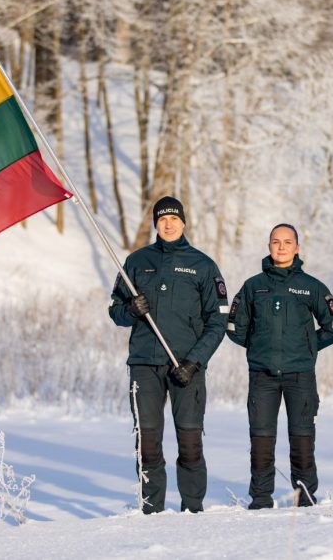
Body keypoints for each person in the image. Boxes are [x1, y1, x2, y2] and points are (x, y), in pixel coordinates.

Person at [108, 196, 229, 514]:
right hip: (144, 364)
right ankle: (151, 510)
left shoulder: (203, 265)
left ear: (184, 222)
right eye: (162, 218)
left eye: (174, 218)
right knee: (147, 443)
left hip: (186, 365)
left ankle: (193, 510)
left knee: (189, 444)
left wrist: (194, 361)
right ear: (155, 223)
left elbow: (218, 322)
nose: (168, 223)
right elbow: (115, 311)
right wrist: (131, 310)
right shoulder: (136, 261)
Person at [226, 223, 333, 509]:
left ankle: (304, 495)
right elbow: (234, 326)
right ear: (269, 246)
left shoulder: (311, 287)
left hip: (300, 376)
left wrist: (306, 346)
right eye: (276, 242)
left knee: (302, 438)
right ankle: (261, 496)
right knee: (261, 439)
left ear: (297, 247)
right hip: (262, 376)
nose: (281, 246)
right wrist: (259, 347)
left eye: (287, 242)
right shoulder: (253, 286)